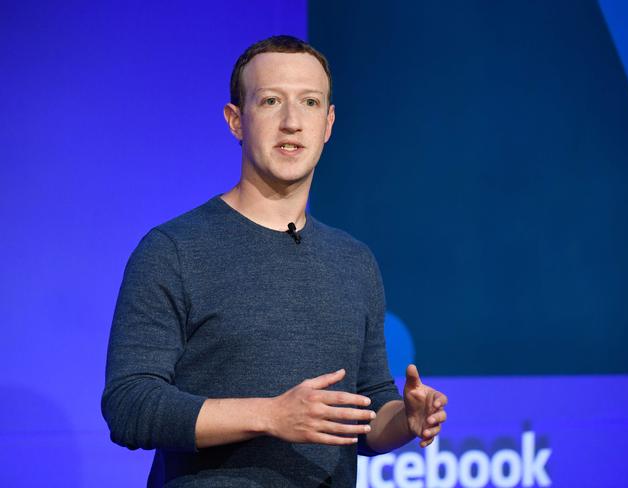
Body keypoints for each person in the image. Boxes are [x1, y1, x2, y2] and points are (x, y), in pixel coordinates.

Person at [102, 35, 448, 487]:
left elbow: (366, 412)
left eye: (308, 102)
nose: (291, 122)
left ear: (328, 123)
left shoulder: (354, 261)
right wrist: (270, 415)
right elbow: (130, 406)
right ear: (235, 121)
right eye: (270, 101)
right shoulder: (173, 249)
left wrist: (405, 418)